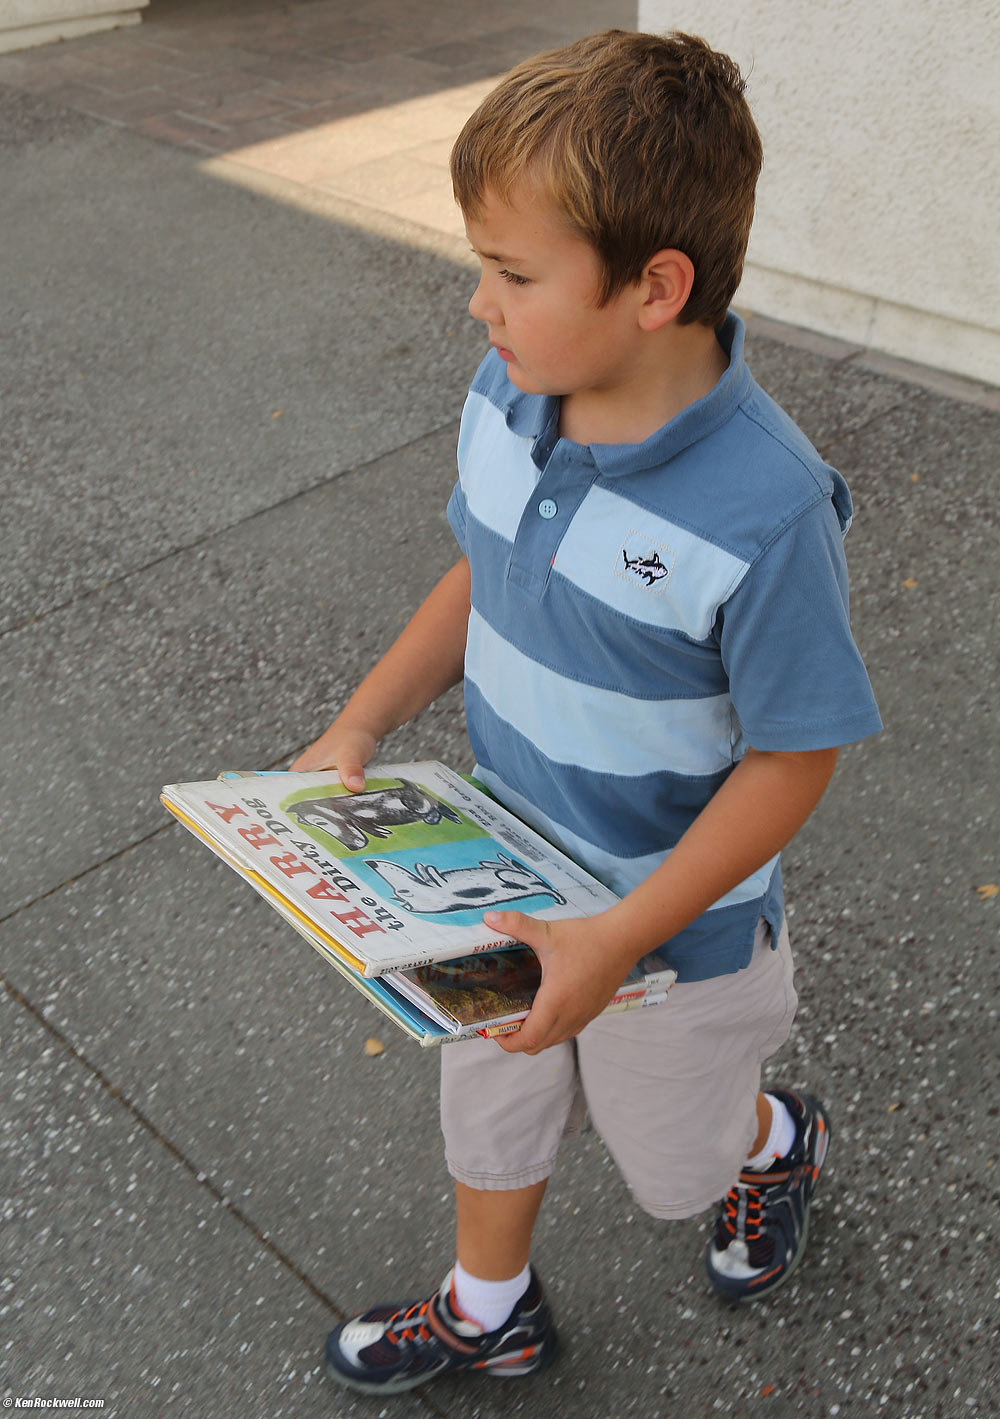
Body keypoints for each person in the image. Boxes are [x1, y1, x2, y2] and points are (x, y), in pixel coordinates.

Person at [294, 29, 882, 1394]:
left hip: (673, 937)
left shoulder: (770, 512)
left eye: (510, 275)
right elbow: (482, 577)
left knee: (672, 1164)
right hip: (493, 875)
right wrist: (361, 725)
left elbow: (798, 757)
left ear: (653, 289)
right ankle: (487, 1304)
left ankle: (767, 1144)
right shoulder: (514, 395)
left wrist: (621, 935)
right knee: (487, 1097)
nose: (478, 308)